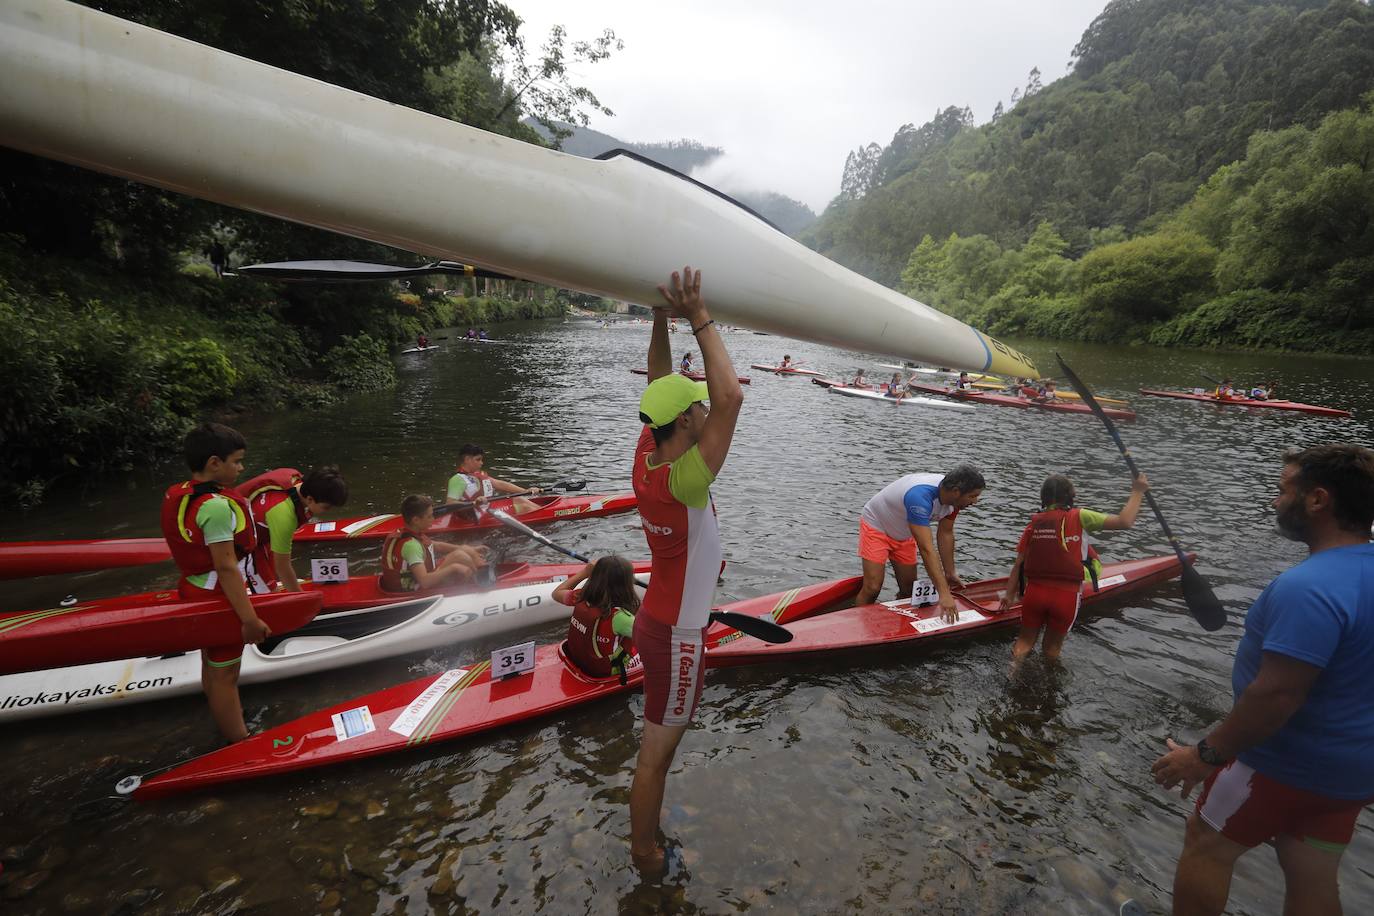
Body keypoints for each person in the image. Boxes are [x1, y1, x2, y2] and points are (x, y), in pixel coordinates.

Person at [1151, 444, 1374, 916]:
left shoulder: (1308, 587)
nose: (1275, 501)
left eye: (1283, 490)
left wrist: (1204, 755)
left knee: (1206, 844)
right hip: (1351, 774)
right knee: (1312, 874)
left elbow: (1275, 696)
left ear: (1318, 499)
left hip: (1278, 765)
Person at [629, 265, 743, 874]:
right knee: (655, 756)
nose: (705, 410)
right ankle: (646, 857)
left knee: (658, 748)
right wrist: (697, 314)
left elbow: (658, 382)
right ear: (685, 424)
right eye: (696, 408)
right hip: (676, 635)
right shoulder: (687, 480)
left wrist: (658, 319)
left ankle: (647, 835)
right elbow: (732, 398)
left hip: (660, 619)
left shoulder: (648, 456)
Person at [159, 423, 269, 743]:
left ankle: (225, 723)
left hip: (194, 586)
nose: (241, 468)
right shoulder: (216, 507)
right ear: (214, 463)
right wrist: (249, 619)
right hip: (217, 594)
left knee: (212, 665)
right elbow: (226, 567)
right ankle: (240, 744)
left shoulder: (181, 491)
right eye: (237, 461)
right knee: (226, 675)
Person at [999, 472, 1150, 667]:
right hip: (1065, 596)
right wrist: (1137, 491)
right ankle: (1049, 682)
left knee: (1024, 643)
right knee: (1051, 650)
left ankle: (1012, 673)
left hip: (1034, 594)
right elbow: (1124, 521)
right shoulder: (1081, 516)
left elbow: (1018, 565)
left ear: (1044, 498)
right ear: (1071, 496)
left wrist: (1008, 595)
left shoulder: (1033, 524)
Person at [855, 466, 986, 617]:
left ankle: (900, 621)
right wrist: (944, 594)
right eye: (972, 496)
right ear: (956, 491)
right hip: (877, 526)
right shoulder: (919, 497)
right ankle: (857, 621)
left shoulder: (954, 501)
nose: (975, 501)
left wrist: (950, 573)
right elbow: (926, 548)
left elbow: (945, 533)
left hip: (904, 532)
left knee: (908, 589)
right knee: (873, 587)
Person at [236, 466, 348, 592]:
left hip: (260, 531)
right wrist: (302, 598)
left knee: (273, 571)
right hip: (241, 543)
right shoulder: (283, 516)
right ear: (310, 499)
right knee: (269, 592)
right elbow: (282, 567)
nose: (329, 511)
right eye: (327, 508)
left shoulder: (296, 479)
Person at [379, 495, 489, 592]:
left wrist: (468, 548)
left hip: (416, 581)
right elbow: (425, 582)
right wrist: (453, 568)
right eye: (429, 516)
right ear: (416, 520)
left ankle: (480, 572)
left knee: (463, 550)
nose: (433, 519)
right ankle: (479, 583)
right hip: (416, 589)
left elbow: (437, 546)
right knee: (460, 557)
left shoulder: (409, 533)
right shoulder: (411, 546)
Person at [553, 556, 640, 679]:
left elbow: (556, 593)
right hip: (605, 669)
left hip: (579, 660)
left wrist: (584, 573)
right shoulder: (621, 617)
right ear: (627, 584)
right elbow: (655, 637)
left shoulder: (580, 597)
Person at [445, 444, 541, 515]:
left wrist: (525, 491)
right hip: (475, 514)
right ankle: (546, 516)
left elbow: (500, 484)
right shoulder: (457, 479)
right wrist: (474, 503)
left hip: (487, 508)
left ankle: (544, 512)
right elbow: (450, 504)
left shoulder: (477, 475)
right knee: (525, 507)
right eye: (478, 459)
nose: (481, 463)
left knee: (518, 498)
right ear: (467, 459)